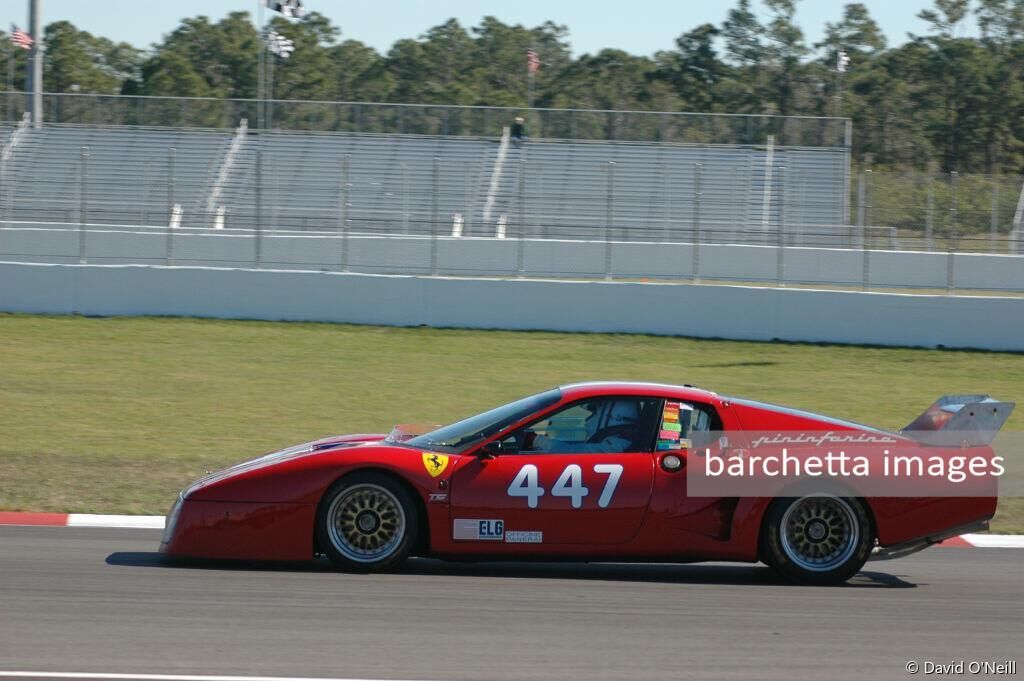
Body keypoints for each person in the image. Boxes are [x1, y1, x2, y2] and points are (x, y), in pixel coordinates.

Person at [530, 399, 640, 453]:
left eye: (596, 412)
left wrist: (536, 441)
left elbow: (574, 452)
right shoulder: (617, 442)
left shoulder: (615, 446)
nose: (589, 419)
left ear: (614, 418)